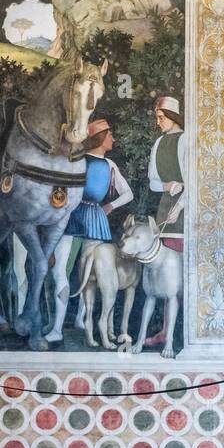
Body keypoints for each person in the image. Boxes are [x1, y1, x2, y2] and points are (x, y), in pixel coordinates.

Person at [51, 118, 132, 342]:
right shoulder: (77, 161)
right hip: (72, 216)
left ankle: (81, 320)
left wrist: (110, 206)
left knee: (89, 274)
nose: (113, 139)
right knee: (62, 271)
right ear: (101, 138)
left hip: (96, 219)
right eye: (110, 135)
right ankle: (57, 328)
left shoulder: (110, 166)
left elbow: (128, 194)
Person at [143, 95, 186, 350]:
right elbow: (152, 181)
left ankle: (183, 334)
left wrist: (180, 206)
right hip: (165, 211)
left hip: (186, 211)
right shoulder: (159, 143)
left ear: (174, 117)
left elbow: (194, 179)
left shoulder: (187, 140)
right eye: (157, 118)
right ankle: (164, 332)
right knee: (165, 274)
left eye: (161, 117)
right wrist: (166, 185)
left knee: (182, 273)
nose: (158, 122)